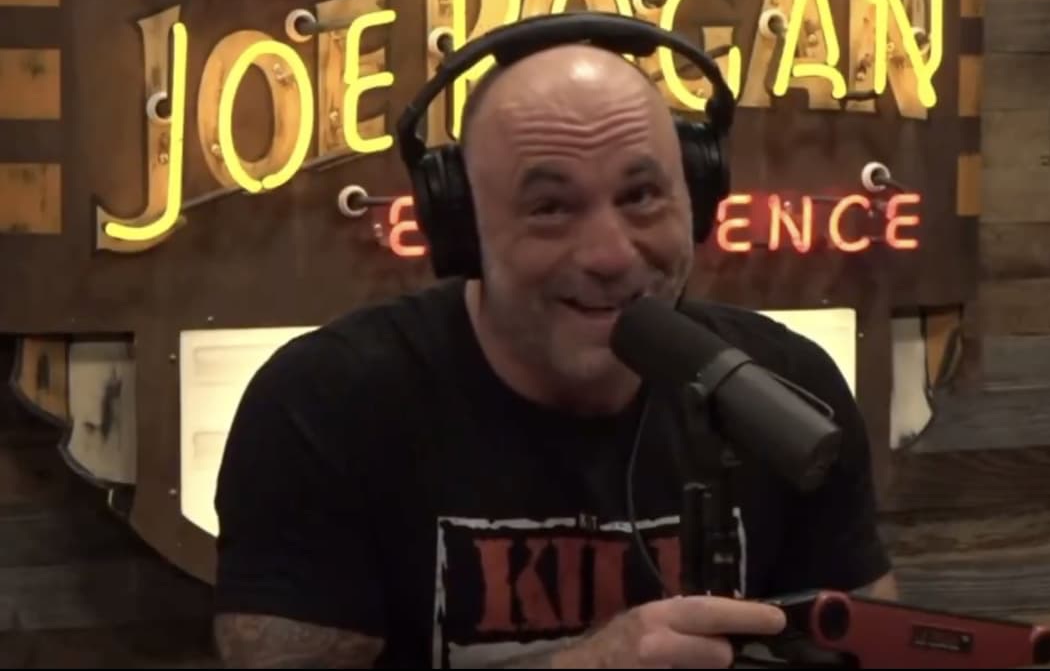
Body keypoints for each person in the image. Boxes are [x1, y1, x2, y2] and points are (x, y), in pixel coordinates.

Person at [211, 36, 898, 669]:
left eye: (641, 195)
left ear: (697, 199)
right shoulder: (326, 403)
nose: (610, 254)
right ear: (464, 233)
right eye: (550, 208)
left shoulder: (783, 387)